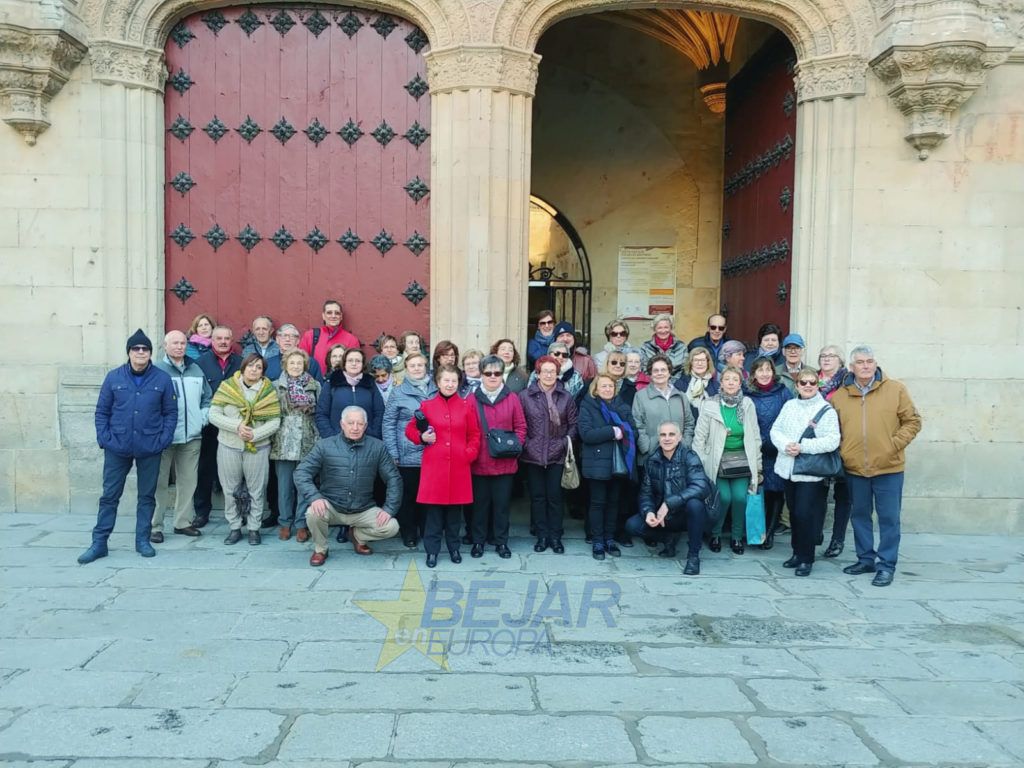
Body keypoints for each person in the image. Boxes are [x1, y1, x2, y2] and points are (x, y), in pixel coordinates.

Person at [78, 330, 178, 564]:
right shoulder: (114, 378)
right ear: (129, 352)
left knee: (146, 496)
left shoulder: (162, 379)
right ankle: (99, 542)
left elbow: (170, 413)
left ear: (151, 353)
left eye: (145, 349)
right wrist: (105, 438)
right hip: (118, 446)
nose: (140, 352)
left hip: (149, 446)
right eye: (136, 349)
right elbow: (102, 411)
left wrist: (163, 440)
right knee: (110, 496)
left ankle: (142, 540)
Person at [833, 346, 922, 587]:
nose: (865, 366)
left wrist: (893, 445)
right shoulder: (841, 396)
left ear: (875, 364)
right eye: (860, 362)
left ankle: (886, 564)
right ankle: (865, 559)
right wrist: (844, 451)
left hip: (888, 468)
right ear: (851, 367)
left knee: (889, 518)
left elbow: (912, 421)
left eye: (869, 361)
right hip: (855, 468)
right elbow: (834, 431)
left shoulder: (895, 390)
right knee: (860, 515)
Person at [295, 405, 402, 566]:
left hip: (363, 508)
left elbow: (394, 478)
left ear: (365, 426)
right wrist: (314, 497)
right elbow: (301, 472)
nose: (355, 428)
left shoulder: (377, 447)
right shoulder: (324, 445)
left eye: (360, 424)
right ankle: (320, 549)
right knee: (312, 513)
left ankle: (358, 536)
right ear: (342, 424)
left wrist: (389, 508)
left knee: (391, 526)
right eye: (350, 423)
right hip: (332, 506)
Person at [405, 365, 481, 568]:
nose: (450, 384)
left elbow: (474, 435)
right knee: (434, 515)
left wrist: (469, 453)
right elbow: (410, 429)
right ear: (438, 382)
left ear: (458, 383)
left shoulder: (466, 406)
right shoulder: (427, 406)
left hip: (459, 466)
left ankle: (454, 548)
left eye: (454, 381)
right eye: (446, 380)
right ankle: (432, 551)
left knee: (455, 514)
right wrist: (421, 437)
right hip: (435, 468)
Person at [770, 367, 841, 577]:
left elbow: (832, 440)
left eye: (812, 382)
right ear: (797, 385)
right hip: (789, 469)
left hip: (811, 471)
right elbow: (776, 430)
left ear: (817, 384)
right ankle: (796, 552)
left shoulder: (825, 409)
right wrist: (786, 445)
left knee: (805, 514)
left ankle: (806, 557)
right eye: (803, 382)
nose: (808, 386)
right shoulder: (789, 405)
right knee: (793, 513)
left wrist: (804, 447)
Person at [208, 353, 281, 546]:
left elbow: (275, 420)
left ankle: (253, 528)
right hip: (229, 445)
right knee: (230, 488)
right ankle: (234, 526)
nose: (254, 370)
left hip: (258, 447)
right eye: (251, 366)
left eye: (259, 367)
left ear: (263, 372)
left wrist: (255, 435)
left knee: (257, 489)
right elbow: (213, 414)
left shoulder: (268, 391)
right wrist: (236, 426)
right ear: (243, 367)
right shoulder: (227, 387)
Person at [625, 421, 712, 574]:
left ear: (679, 438)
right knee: (632, 525)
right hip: (663, 517)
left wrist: (669, 503)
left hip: (685, 514)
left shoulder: (689, 457)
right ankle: (668, 538)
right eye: (663, 435)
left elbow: (701, 487)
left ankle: (693, 556)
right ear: (658, 438)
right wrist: (649, 512)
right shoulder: (652, 460)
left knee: (695, 504)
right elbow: (646, 493)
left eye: (671, 434)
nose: (667, 438)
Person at [692, 366, 762, 555]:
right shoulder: (710, 405)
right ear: (721, 383)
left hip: (742, 460)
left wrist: (759, 465)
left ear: (740, 383)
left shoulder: (747, 404)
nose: (731, 383)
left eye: (735, 380)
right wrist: (700, 463)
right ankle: (715, 534)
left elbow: (755, 436)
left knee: (740, 498)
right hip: (717, 460)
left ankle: (737, 538)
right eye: (727, 379)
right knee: (723, 497)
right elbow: (699, 437)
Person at [151, 330, 211, 543]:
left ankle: (182, 522)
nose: (179, 347)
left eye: (183, 343)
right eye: (175, 343)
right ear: (165, 345)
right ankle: (155, 525)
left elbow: (207, 397)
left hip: (192, 436)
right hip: (164, 437)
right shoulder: (156, 370)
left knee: (188, 481)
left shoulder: (196, 369)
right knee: (158, 482)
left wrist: (202, 418)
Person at [469, 355, 527, 558]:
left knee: (502, 506)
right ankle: (478, 542)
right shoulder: (472, 399)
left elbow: (521, 426)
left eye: (497, 373)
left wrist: (516, 445)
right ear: (481, 375)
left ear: (502, 374)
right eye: (488, 373)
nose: (493, 377)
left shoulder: (512, 398)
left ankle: (501, 542)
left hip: (505, 463)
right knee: (480, 507)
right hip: (479, 462)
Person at [520, 355, 578, 553]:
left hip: (557, 454)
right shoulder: (525, 396)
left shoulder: (566, 396)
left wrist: (563, 443)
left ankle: (555, 536)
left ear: (557, 374)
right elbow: (520, 424)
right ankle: (541, 536)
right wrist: (527, 444)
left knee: (555, 497)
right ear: (538, 373)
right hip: (532, 454)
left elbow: (573, 425)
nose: (549, 375)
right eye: (545, 371)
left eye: (552, 371)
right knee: (537, 497)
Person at [579, 373, 636, 560]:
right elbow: (586, 434)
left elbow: (633, 429)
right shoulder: (588, 406)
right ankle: (597, 541)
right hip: (596, 462)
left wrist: (624, 431)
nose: (607, 389)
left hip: (619, 462)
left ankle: (610, 539)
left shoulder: (622, 406)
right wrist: (612, 431)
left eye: (610, 386)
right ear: (596, 388)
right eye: (603, 386)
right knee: (597, 503)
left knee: (614, 503)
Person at [382, 351, 436, 547]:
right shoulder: (398, 392)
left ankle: (427, 529)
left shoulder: (437, 389)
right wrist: (393, 452)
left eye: (420, 365)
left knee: (429, 495)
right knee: (409, 495)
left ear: (426, 367)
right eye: (412, 366)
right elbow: (388, 423)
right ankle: (409, 532)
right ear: (406, 369)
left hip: (432, 452)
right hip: (407, 453)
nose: (416, 369)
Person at [192, 325, 242, 528]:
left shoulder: (241, 363)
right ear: (212, 340)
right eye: (219, 338)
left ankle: (241, 510)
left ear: (232, 341)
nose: (223, 341)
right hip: (209, 427)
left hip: (235, 426)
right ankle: (201, 512)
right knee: (204, 468)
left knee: (239, 471)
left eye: (227, 338)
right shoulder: (200, 364)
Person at [271, 349, 321, 542]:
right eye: (292, 363)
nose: (295, 366)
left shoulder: (314, 385)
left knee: (303, 484)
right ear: (285, 365)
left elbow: (319, 411)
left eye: (299, 363)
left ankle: (301, 524)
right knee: (284, 486)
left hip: (307, 440)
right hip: (283, 440)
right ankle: (285, 522)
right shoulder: (276, 386)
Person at [745, 356, 792, 549]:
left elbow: (790, 418)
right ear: (753, 373)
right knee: (757, 490)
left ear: (773, 372)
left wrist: (779, 442)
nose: (764, 374)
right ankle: (757, 529)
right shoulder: (746, 393)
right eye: (760, 370)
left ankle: (770, 532)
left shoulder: (784, 392)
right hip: (754, 448)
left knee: (775, 491)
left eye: (768, 369)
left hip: (777, 448)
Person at [817, 344, 851, 557]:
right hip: (817, 446)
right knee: (817, 493)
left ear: (841, 361)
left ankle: (837, 539)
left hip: (844, 444)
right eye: (823, 356)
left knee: (843, 494)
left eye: (832, 356)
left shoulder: (848, 383)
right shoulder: (810, 378)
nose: (827, 359)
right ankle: (815, 532)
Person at [633, 354, 695, 463]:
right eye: (655, 371)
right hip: (651, 457)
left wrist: (685, 443)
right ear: (650, 374)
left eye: (663, 370)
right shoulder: (640, 396)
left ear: (669, 372)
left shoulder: (681, 396)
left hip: (679, 456)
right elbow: (638, 424)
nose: (660, 373)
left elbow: (689, 423)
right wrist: (647, 446)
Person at [316, 348, 384, 439]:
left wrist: (374, 434)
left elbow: (379, 412)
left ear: (363, 364)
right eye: (350, 360)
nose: (354, 363)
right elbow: (321, 414)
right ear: (344, 363)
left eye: (358, 361)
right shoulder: (331, 384)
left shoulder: (370, 385)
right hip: (337, 440)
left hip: (366, 441)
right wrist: (330, 437)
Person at [299, 299, 360, 373]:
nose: (333, 316)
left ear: (341, 317)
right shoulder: (310, 335)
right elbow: (300, 361)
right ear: (323, 316)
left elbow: (355, 366)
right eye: (329, 313)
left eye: (337, 313)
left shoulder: (351, 340)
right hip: (314, 381)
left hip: (339, 382)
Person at [674, 346, 720, 418]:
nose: (699, 363)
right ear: (690, 363)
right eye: (696, 360)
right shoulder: (679, 384)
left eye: (702, 360)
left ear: (708, 362)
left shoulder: (716, 386)